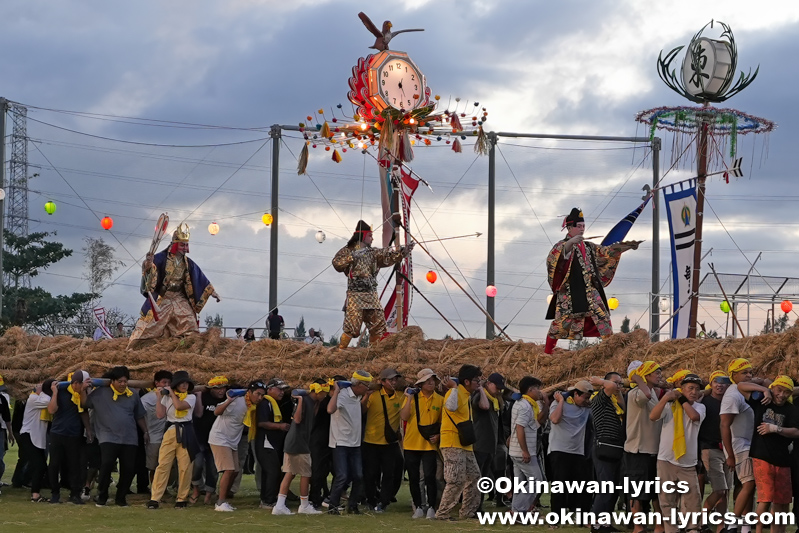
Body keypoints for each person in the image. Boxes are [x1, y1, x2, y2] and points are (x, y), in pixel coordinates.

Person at [543, 207, 639, 353]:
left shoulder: (588, 247)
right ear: (569, 228)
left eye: (583, 226)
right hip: (570, 293)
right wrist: (569, 244)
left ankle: (611, 350)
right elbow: (555, 261)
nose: (582, 229)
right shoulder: (560, 246)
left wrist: (625, 247)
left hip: (590, 291)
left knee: (603, 319)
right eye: (578, 226)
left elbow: (606, 252)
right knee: (560, 324)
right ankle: (547, 352)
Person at [129, 223, 220, 346]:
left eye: (186, 245)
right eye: (182, 245)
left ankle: (187, 346)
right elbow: (150, 272)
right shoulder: (161, 258)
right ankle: (136, 345)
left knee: (189, 323)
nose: (185, 248)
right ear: (175, 245)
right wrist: (148, 264)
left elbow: (200, 277)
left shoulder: (187, 263)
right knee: (150, 325)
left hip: (179, 297)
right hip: (164, 297)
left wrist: (212, 292)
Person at [332, 220, 413, 349]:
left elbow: (388, 256)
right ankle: (340, 351)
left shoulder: (373, 253)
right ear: (362, 235)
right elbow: (337, 263)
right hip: (355, 294)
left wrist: (403, 252)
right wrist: (352, 257)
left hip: (371, 294)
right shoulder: (348, 250)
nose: (372, 238)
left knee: (378, 325)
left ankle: (373, 353)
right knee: (353, 327)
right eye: (370, 235)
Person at [84, 366, 148, 507]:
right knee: (106, 465)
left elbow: (139, 415)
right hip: (108, 437)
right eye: (120, 381)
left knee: (129, 469)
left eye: (125, 381)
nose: (123, 384)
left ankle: (121, 497)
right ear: (112, 381)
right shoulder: (100, 393)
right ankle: (102, 495)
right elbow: (84, 404)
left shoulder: (132, 394)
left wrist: (145, 431)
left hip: (129, 438)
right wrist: (82, 388)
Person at [650, 373, 706, 533]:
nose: (694, 392)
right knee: (667, 500)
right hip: (666, 459)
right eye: (690, 388)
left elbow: (694, 417)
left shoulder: (700, 407)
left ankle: (692, 528)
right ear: (682, 388)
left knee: (692, 499)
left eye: (697, 389)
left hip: (688, 462)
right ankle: (671, 530)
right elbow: (653, 416)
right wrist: (666, 398)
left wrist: (681, 399)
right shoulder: (670, 406)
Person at [742, 375, 795, 533]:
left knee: (783, 501)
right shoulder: (762, 401)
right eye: (779, 390)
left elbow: (796, 431)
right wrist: (764, 389)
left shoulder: (790, 409)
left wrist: (776, 429)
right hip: (762, 455)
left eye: (786, 392)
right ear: (773, 389)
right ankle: (757, 530)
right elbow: (741, 386)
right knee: (765, 498)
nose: (782, 395)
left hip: (783, 459)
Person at [272, 381, 329, 515]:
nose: (325, 396)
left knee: (290, 473)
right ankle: (304, 505)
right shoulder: (304, 401)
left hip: (295, 442)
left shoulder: (313, 402)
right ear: (318, 392)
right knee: (305, 474)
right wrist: (300, 401)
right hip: (298, 443)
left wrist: (316, 403)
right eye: (324, 393)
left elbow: (312, 417)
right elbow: (297, 420)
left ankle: (280, 505)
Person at [209, 380, 267, 512]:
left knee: (235, 471)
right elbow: (217, 412)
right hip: (220, 438)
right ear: (250, 392)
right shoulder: (238, 401)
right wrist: (228, 400)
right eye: (257, 394)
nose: (260, 398)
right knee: (229, 470)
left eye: (262, 395)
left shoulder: (252, 406)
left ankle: (223, 498)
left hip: (232, 441)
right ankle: (220, 503)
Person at [436, 364, 483, 521]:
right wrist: (454, 387)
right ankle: (442, 513)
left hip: (465, 443)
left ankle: (467, 511)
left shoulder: (467, 395)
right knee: (455, 480)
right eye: (476, 380)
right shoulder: (454, 392)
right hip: (452, 443)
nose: (479, 383)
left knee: (475, 477)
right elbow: (450, 406)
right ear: (467, 381)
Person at [623, 360, 665, 533]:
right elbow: (645, 395)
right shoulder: (635, 393)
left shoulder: (653, 393)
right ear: (645, 375)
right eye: (656, 372)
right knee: (637, 492)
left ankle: (659, 526)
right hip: (638, 450)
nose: (660, 376)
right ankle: (638, 527)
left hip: (654, 451)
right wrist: (637, 378)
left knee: (656, 492)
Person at [720, 358, 761, 533]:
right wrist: (729, 454)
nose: (749, 376)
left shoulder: (742, 390)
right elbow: (724, 425)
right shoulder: (732, 395)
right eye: (744, 372)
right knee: (749, 483)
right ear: (733, 375)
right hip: (740, 445)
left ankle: (745, 527)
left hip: (749, 444)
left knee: (749, 486)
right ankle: (732, 524)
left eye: (750, 372)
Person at [147, 370, 198, 509]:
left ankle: (181, 498)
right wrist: (159, 397)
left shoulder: (191, 397)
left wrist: (172, 394)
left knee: (185, 467)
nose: (184, 385)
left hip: (186, 431)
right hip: (170, 431)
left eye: (186, 383)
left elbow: (179, 406)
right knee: (163, 465)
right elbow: (160, 414)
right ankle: (155, 497)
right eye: (181, 383)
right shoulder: (167, 397)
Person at [327, 370, 373, 515]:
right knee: (342, 476)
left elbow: (357, 410)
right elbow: (330, 409)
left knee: (358, 476)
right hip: (340, 442)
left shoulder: (357, 397)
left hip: (355, 443)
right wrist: (336, 392)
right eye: (366, 385)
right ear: (358, 384)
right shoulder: (343, 395)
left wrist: (366, 397)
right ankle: (332, 506)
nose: (368, 388)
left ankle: (352, 506)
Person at [549, 380, 594, 519]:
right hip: (559, 449)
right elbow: (555, 419)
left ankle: (581, 513)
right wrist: (561, 401)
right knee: (560, 485)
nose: (586, 401)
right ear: (575, 394)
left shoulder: (587, 408)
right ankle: (557, 515)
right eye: (584, 397)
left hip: (578, 451)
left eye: (588, 398)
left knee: (582, 485)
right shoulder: (558, 403)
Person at [362, 367, 404, 513]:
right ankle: (371, 499)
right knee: (370, 474)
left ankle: (384, 501)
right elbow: (362, 411)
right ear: (382, 382)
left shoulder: (401, 396)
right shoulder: (374, 395)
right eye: (390, 380)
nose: (394, 382)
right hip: (371, 441)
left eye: (395, 379)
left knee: (389, 474)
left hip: (389, 443)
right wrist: (366, 397)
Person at [48, 370, 92, 505]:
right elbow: (51, 410)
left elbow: (84, 409)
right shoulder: (61, 391)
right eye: (84, 385)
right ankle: (55, 493)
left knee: (75, 466)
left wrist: (88, 430)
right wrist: (54, 393)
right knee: (54, 464)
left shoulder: (81, 394)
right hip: (57, 433)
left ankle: (75, 494)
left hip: (74, 434)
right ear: (76, 383)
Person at [589, 372, 626, 530]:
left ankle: (605, 522)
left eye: (620, 383)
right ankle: (597, 524)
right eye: (616, 382)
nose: (618, 386)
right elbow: (609, 386)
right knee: (605, 487)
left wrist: (618, 391)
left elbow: (624, 409)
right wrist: (598, 380)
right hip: (604, 447)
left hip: (616, 447)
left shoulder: (615, 402)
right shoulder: (599, 399)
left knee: (614, 488)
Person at [508, 376, 548, 515]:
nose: (540, 392)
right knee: (538, 481)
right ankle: (519, 510)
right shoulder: (525, 406)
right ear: (530, 389)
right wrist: (525, 451)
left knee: (520, 483)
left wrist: (546, 404)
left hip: (515, 450)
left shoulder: (524, 404)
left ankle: (516, 510)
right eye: (538, 388)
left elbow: (534, 425)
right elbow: (520, 428)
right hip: (522, 451)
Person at [700, 371, 733, 530]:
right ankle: (702, 519)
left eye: (724, 382)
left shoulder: (731, 401)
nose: (720, 385)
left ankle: (721, 526)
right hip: (710, 448)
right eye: (716, 381)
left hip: (728, 450)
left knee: (725, 491)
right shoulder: (704, 401)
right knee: (719, 489)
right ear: (711, 384)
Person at [191, 376, 229, 505]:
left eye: (223, 388)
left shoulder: (227, 399)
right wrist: (199, 394)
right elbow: (198, 414)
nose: (221, 391)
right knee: (197, 464)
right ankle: (196, 488)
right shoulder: (203, 396)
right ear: (210, 389)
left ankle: (209, 494)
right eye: (217, 388)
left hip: (217, 439)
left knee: (213, 468)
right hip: (200, 437)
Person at [255, 378, 291, 509]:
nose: (282, 392)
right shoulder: (266, 403)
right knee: (272, 471)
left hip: (271, 442)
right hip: (266, 442)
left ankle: (267, 498)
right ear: (269, 389)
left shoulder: (273, 403)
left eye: (283, 390)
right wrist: (280, 426)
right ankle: (268, 500)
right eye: (279, 389)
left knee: (270, 471)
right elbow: (261, 422)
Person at [19, 379, 56, 502]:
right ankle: (35, 495)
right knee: (39, 465)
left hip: (37, 437)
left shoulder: (39, 398)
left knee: (40, 465)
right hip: (29, 435)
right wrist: (43, 391)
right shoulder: (34, 399)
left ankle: (35, 492)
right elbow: (48, 402)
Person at [472, 372, 504, 511]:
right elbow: (483, 407)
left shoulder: (496, 400)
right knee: (477, 478)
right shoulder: (480, 397)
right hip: (480, 443)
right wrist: (481, 390)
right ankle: (473, 506)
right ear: (488, 383)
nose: (499, 390)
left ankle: (478, 505)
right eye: (496, 387)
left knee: (484, 478)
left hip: (491, 445)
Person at [140, 371, 172, 487]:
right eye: (164, 382)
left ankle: (164, 489)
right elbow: (140, 416)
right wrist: (145, 431)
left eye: (169, 382)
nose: (166, 385)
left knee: (168, 465)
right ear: (157, 383)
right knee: (154, 466)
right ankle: (155, 490)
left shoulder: (173, 396)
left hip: (169, 436)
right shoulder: (147, 399)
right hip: (154, 437)